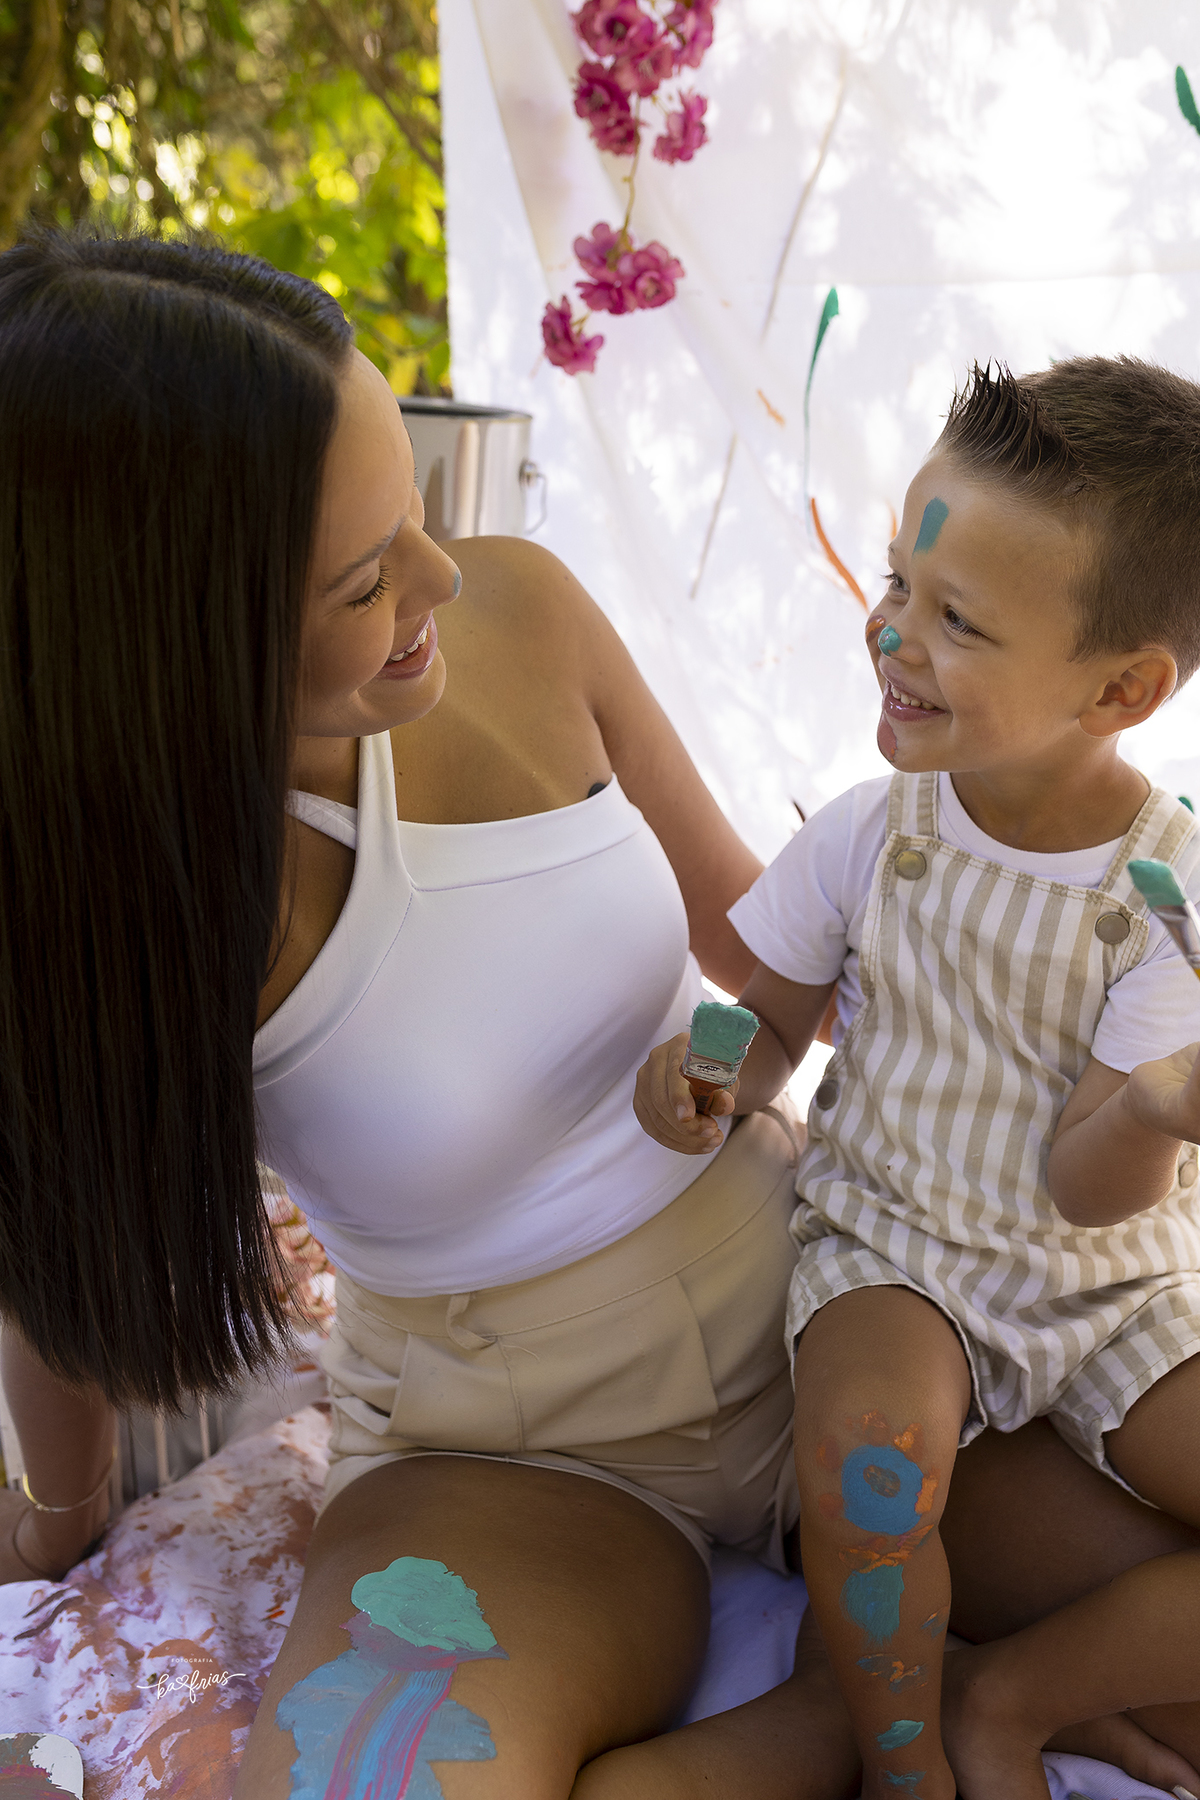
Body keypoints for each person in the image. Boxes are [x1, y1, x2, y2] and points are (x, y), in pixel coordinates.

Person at [1, 237, 1199, 1800]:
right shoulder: (110, 905)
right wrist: (54, 1519)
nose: (442, 577)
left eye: (418, 516)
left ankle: (927, 1682)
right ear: (171, 649)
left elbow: (771, 936)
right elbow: (63, 1264)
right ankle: (879, 1696)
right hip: (512, 1455)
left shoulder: (515, 611)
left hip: (844, 1311)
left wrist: (1082, 1058)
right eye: (367, 579)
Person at [637, 358, 1200, 1800]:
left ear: (1122, 687)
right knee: (870, 1465)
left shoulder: (1170, 900)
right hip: (897, 1249)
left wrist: (1150, 1110)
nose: (893, 633)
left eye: (957, 621)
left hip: (1112, 1284)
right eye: (899, 580)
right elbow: (761, 1017)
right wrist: (704, 1075)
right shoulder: (870, 833)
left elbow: (1089, 1193)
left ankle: (1008, 1700)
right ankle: (904, 1765)